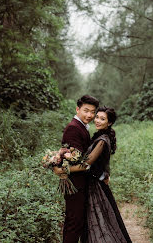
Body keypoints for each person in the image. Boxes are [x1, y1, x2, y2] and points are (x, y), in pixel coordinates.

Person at [55, 106, 132, 243]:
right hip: (93, 184)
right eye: (97, 117)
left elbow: (87, 163)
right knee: (94, 223)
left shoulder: (102, 140)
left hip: (97, 187)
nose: (97, 120)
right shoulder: (98, 136)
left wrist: (64, 170)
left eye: (102, 119)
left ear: (109, 123)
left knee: (101, 224)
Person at [59, 95, 99, 243]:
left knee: (77, 222)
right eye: (86, 110)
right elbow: (75, 160)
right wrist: (62, 170)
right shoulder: (73, 128)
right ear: (77, 109)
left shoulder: (81, 127)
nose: (89, 115)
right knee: (74, 223)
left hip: (79, 183)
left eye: (92, 112)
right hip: (75, 184)